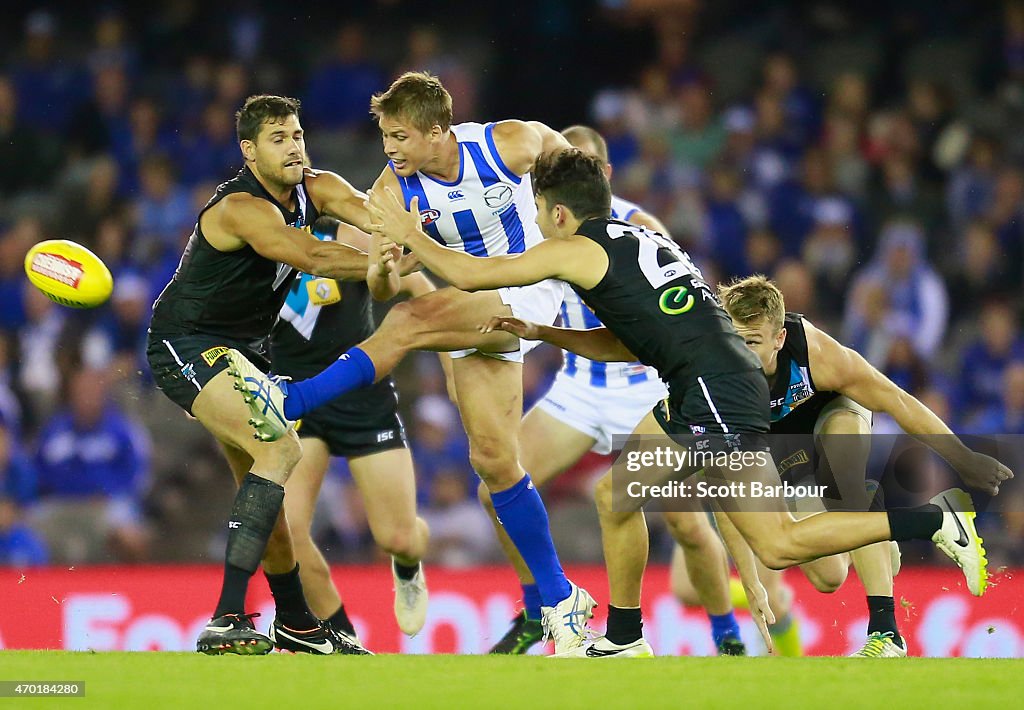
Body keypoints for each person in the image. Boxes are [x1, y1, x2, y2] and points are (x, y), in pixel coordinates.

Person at [366, 148, 1008, 658]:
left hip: (713, 393)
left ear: (559, 212)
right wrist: (544, 334)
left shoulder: (576, 246)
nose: (534, 220)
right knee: (615, 498)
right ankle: (623, 636)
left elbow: (476, 274)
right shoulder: (631, 241)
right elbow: (627, 341)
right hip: (703, 384)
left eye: (538, 208)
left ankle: (935, 524)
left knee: (780, 547)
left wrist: (405, 234)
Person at [229, 71, 598, 654]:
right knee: (495, 461)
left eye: (400, 136)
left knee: (407, 323)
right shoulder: (390, 192)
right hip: (471, 311)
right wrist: (381, 266)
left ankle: (292, 399)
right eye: (384, 138)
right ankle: (559, 601)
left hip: (528, 286)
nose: (390, 149)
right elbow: (382, 284)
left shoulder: (508, 144)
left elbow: (571, 162)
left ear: (437, 131)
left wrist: (576, 227)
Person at [146, 94, 403, 655]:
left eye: (298, 134)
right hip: (188, 343)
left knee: (262, 486)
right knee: (281, 452)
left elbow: (375, 213)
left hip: (245, 352)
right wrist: (380, 265)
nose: (294, 147)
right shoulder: (241, 208)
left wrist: (419, 239)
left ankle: (294, 621)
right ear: (249, 150)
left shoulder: (315, 186)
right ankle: (226, 617)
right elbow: (308, 255)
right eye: (279, 139)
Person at [482, 125, 745, 657]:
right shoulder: (544, 218)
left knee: (686, 523)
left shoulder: (637, 225)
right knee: (497, 487)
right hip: (580, 388)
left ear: (604, 172)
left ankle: (728, 638)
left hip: (644, 385)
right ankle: (541, 608)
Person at [672, 275, 917, 657]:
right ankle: (874, 533)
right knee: (829, 577)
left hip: (833, 411)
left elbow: (893, 397)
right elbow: (723, 493)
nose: (743, 351)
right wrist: (750, 583)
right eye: (735, 340)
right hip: (787, 454)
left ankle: (886, 634)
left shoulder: (812, 349)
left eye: (753, 341)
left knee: (846, 483)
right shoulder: (714, 386)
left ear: (778, 338)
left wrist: (961, 454)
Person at [273, 214, 437, 647]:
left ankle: (408, 568)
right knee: (286, 533)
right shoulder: (256, 244)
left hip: (362, 397)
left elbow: (415, 286)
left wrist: (450, 363)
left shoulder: (346, 236)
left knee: (397, 537)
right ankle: (341, 637)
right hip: (296, 404)